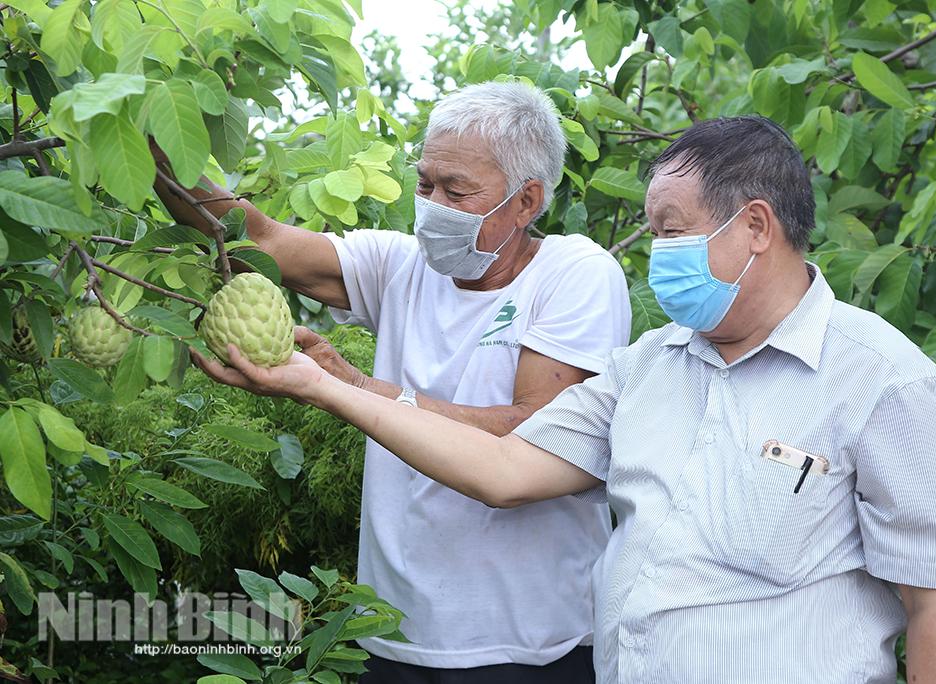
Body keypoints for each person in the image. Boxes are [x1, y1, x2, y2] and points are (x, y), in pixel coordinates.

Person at [192, 115, 936, 684]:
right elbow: (504, 468)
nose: (657, 255)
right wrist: (329, 388)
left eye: (672, 231)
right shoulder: (650, 369)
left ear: (755, 227)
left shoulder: (886, 385)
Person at [155, 81, 631, 683]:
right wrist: (149, 139)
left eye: (456, 190)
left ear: (526, 200)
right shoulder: (402, 263)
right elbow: (262, 239)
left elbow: (530, 436)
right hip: (391, 633)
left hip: (527, 644)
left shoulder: (574, 273)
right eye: (425, 183)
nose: (430, 204)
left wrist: (351, 385)